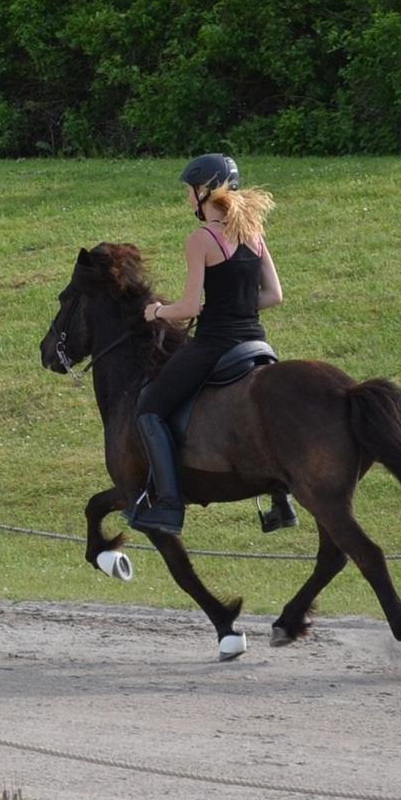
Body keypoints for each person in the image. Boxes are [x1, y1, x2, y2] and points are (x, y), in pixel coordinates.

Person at [128, 153, 297, 537]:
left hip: (216, 345)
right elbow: (274, 295)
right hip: (256, 344)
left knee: (149, 409)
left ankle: (169, 506)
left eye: (190, 191)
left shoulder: (202, 239)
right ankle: (281, 500)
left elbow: (187, 308)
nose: (188, 199)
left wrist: (156, 312)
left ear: (204, 191)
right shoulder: (254, 234)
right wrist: (228, 304)